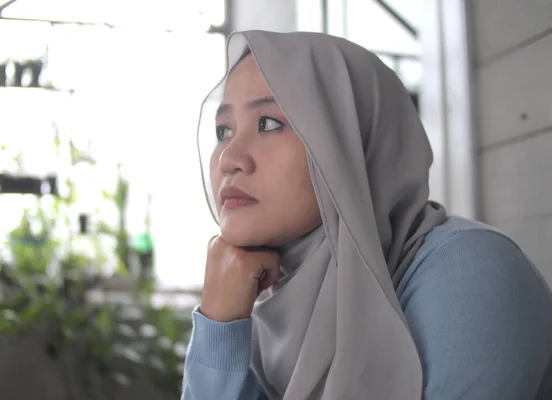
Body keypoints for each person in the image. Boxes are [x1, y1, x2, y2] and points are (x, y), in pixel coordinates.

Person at [181, 31, 552, 400]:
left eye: (268, 123)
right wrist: (219, 322)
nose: (229, 158)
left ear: (352, 138)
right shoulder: (273, 302)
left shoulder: (470, 273)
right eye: (223, 130)